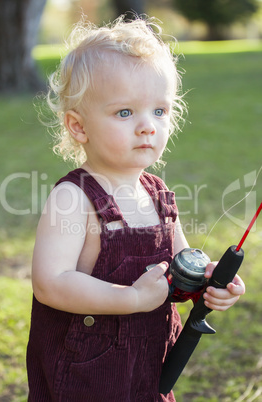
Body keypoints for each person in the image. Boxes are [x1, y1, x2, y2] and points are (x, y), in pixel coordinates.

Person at [26, 16, 245, 401]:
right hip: (84, 378)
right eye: (125, 113)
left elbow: (181, 270)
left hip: (149, 369)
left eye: (159, 111)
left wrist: (210, 281)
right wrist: (130, 299)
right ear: (79, 127)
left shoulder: (159, 195)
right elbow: (51, 282)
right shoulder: (74, 197)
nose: (147, 126)